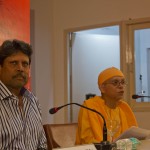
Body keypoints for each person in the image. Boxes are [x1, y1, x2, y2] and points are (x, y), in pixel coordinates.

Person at [0, 39, 47, 149]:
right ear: (1, 67)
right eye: (14, 63)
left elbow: (42, 144)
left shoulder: (33, 101)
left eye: (25, 64)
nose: (20, 68)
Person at [75, 67, 138, 144]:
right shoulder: (89, 106)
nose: (121, 86)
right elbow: (86, 139)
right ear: (102, 88)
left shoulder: (124, 107)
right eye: (115, 82)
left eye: (123, 82)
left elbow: (134, 137)